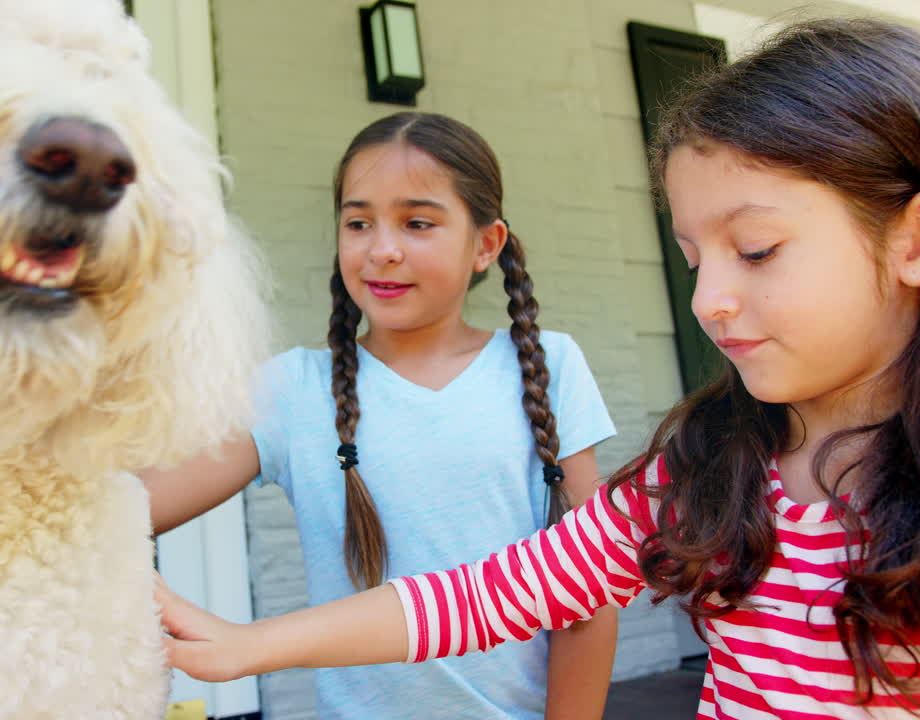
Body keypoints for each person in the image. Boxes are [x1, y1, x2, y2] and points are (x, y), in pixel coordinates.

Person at [153, 18, 920, 720]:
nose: (709, 299)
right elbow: (499, 591)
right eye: (692, 259)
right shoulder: (710, 461)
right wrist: (244, 646)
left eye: (754, 250)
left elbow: (573, 616)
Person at [140, 112, 619, 719]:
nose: (382, 250)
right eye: (358, 222)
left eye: (417, 223)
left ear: (486, 245)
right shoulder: (292, 389)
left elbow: (588, 591)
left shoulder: (550, 365)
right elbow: (121, 513)